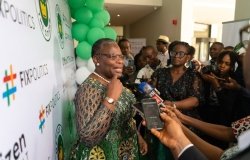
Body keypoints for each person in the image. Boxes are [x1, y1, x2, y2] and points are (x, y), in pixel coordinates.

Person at [70, 38, 147, 160]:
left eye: (120, 57)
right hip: (102, 154)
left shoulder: (114, 82)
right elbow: (88, 137)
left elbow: (124, 119)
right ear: (96, 59)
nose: (120, 61)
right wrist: (111, 98)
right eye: (113, 57)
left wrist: (138, 136)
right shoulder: (88, 89)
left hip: (124, 150)